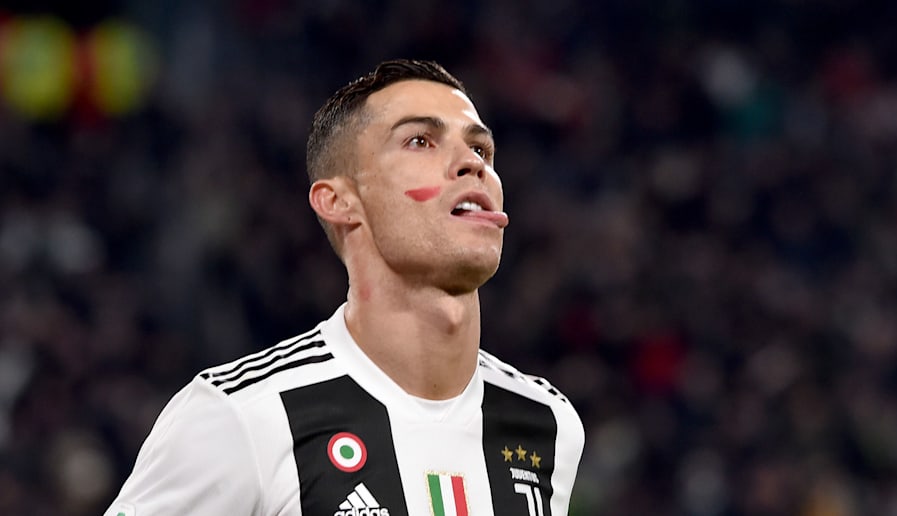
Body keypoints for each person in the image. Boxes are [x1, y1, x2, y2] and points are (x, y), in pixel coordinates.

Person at [105, 59, 584, 516]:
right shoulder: (244, 417)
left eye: (481, 149)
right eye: (421, 141)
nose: (471, 163)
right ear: (338, 202)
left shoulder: (548, 423)